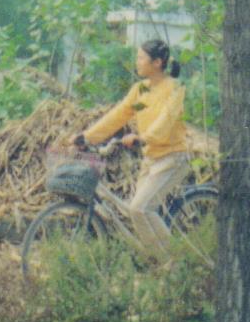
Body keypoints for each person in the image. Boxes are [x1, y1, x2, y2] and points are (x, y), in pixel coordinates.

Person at [72, 38, 189, 261]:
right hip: (151, 158)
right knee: (136, 212)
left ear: (156, 62)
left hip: (172, 158)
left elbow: (166, 120)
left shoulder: (174, 89)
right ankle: (161, 261)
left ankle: (175, 263)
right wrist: (87, 136)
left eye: (140, 58)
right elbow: (120, 115)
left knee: (140, 208)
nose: (137, 62)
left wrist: (143, 137)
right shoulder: (142, 92)